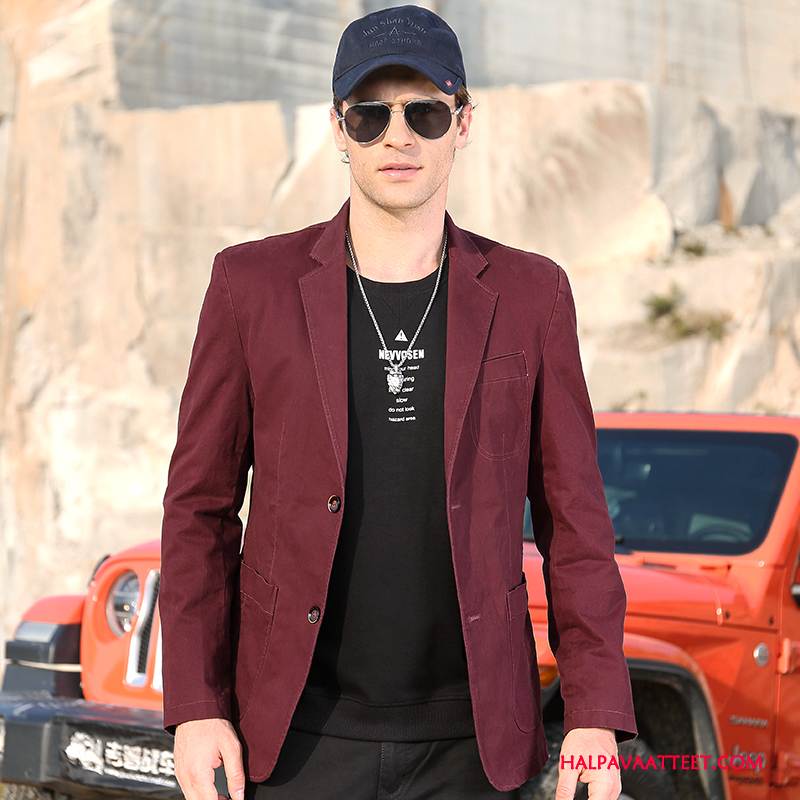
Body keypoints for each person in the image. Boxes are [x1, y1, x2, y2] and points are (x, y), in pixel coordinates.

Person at [159, 5, 638, 800]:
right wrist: (198, 705)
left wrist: (593, 714)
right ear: (339, 129)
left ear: (463, 123)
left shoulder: (533, 295)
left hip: (473, 746)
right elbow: (198, 510)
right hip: (294, 739)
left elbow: (576, 522)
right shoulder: (251, 287)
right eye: (370, 115)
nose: (398, 137)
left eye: (425, 112)